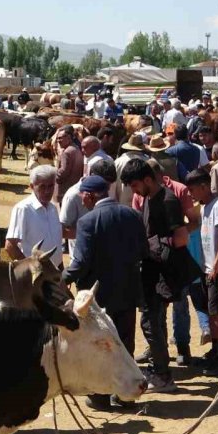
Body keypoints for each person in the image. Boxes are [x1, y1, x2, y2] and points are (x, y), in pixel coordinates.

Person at [62, 174, 148, 411]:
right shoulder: (132, 214)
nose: (82, 201)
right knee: (124, 342)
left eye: (83, 197)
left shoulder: (88, 222)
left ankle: (100, 396)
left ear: (89, 196)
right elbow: (144, 250)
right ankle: (126, 395)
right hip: (128, 290)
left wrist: (63, 279)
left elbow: (80, 263)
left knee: (99, 347)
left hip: (98, 298)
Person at [121, 158, 196, 392]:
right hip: (152, 271)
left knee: (150, 322)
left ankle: (163, 375)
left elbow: (182, 237)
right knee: (152, 322)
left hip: (163, 273)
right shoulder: (148, 198)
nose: (133, 191)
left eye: (134, 186)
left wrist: (154, 246)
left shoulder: (168, 200)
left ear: (146, 180)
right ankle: (160, 369)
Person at [184, 169, 218, 375]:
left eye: (193, 190)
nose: (192, 194)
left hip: (216, 270)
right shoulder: (203, 207)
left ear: (204, 186)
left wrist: (216, 263)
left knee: (216, 312)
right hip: (206, 268)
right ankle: (215, 348)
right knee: (209, 310)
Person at [5, 165, 63, 268]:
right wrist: (31, 268)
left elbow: (56, 242)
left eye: (51, 186)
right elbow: (10, 246)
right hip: (35, 277)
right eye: (42, 187)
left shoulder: (53, 208)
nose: (47, 191)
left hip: (54, 272)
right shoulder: (23, 209)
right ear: (32, 186)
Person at [61, 159, 117, 253]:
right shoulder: (73, 196)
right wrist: (90, 233)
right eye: (105, 184)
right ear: (91, 175)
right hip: (81, 255)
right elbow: (63, 231)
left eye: (109, 185)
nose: (108, 188)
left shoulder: (105, 190)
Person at [54, 125, 83, 203]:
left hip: (65, 191)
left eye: (61, 138)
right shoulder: (76, 148)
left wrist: (54, 175)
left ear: (69, 138)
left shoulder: (67, 152)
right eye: (57, 139)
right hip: (75, 189)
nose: (58, 141)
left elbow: (63, 172)